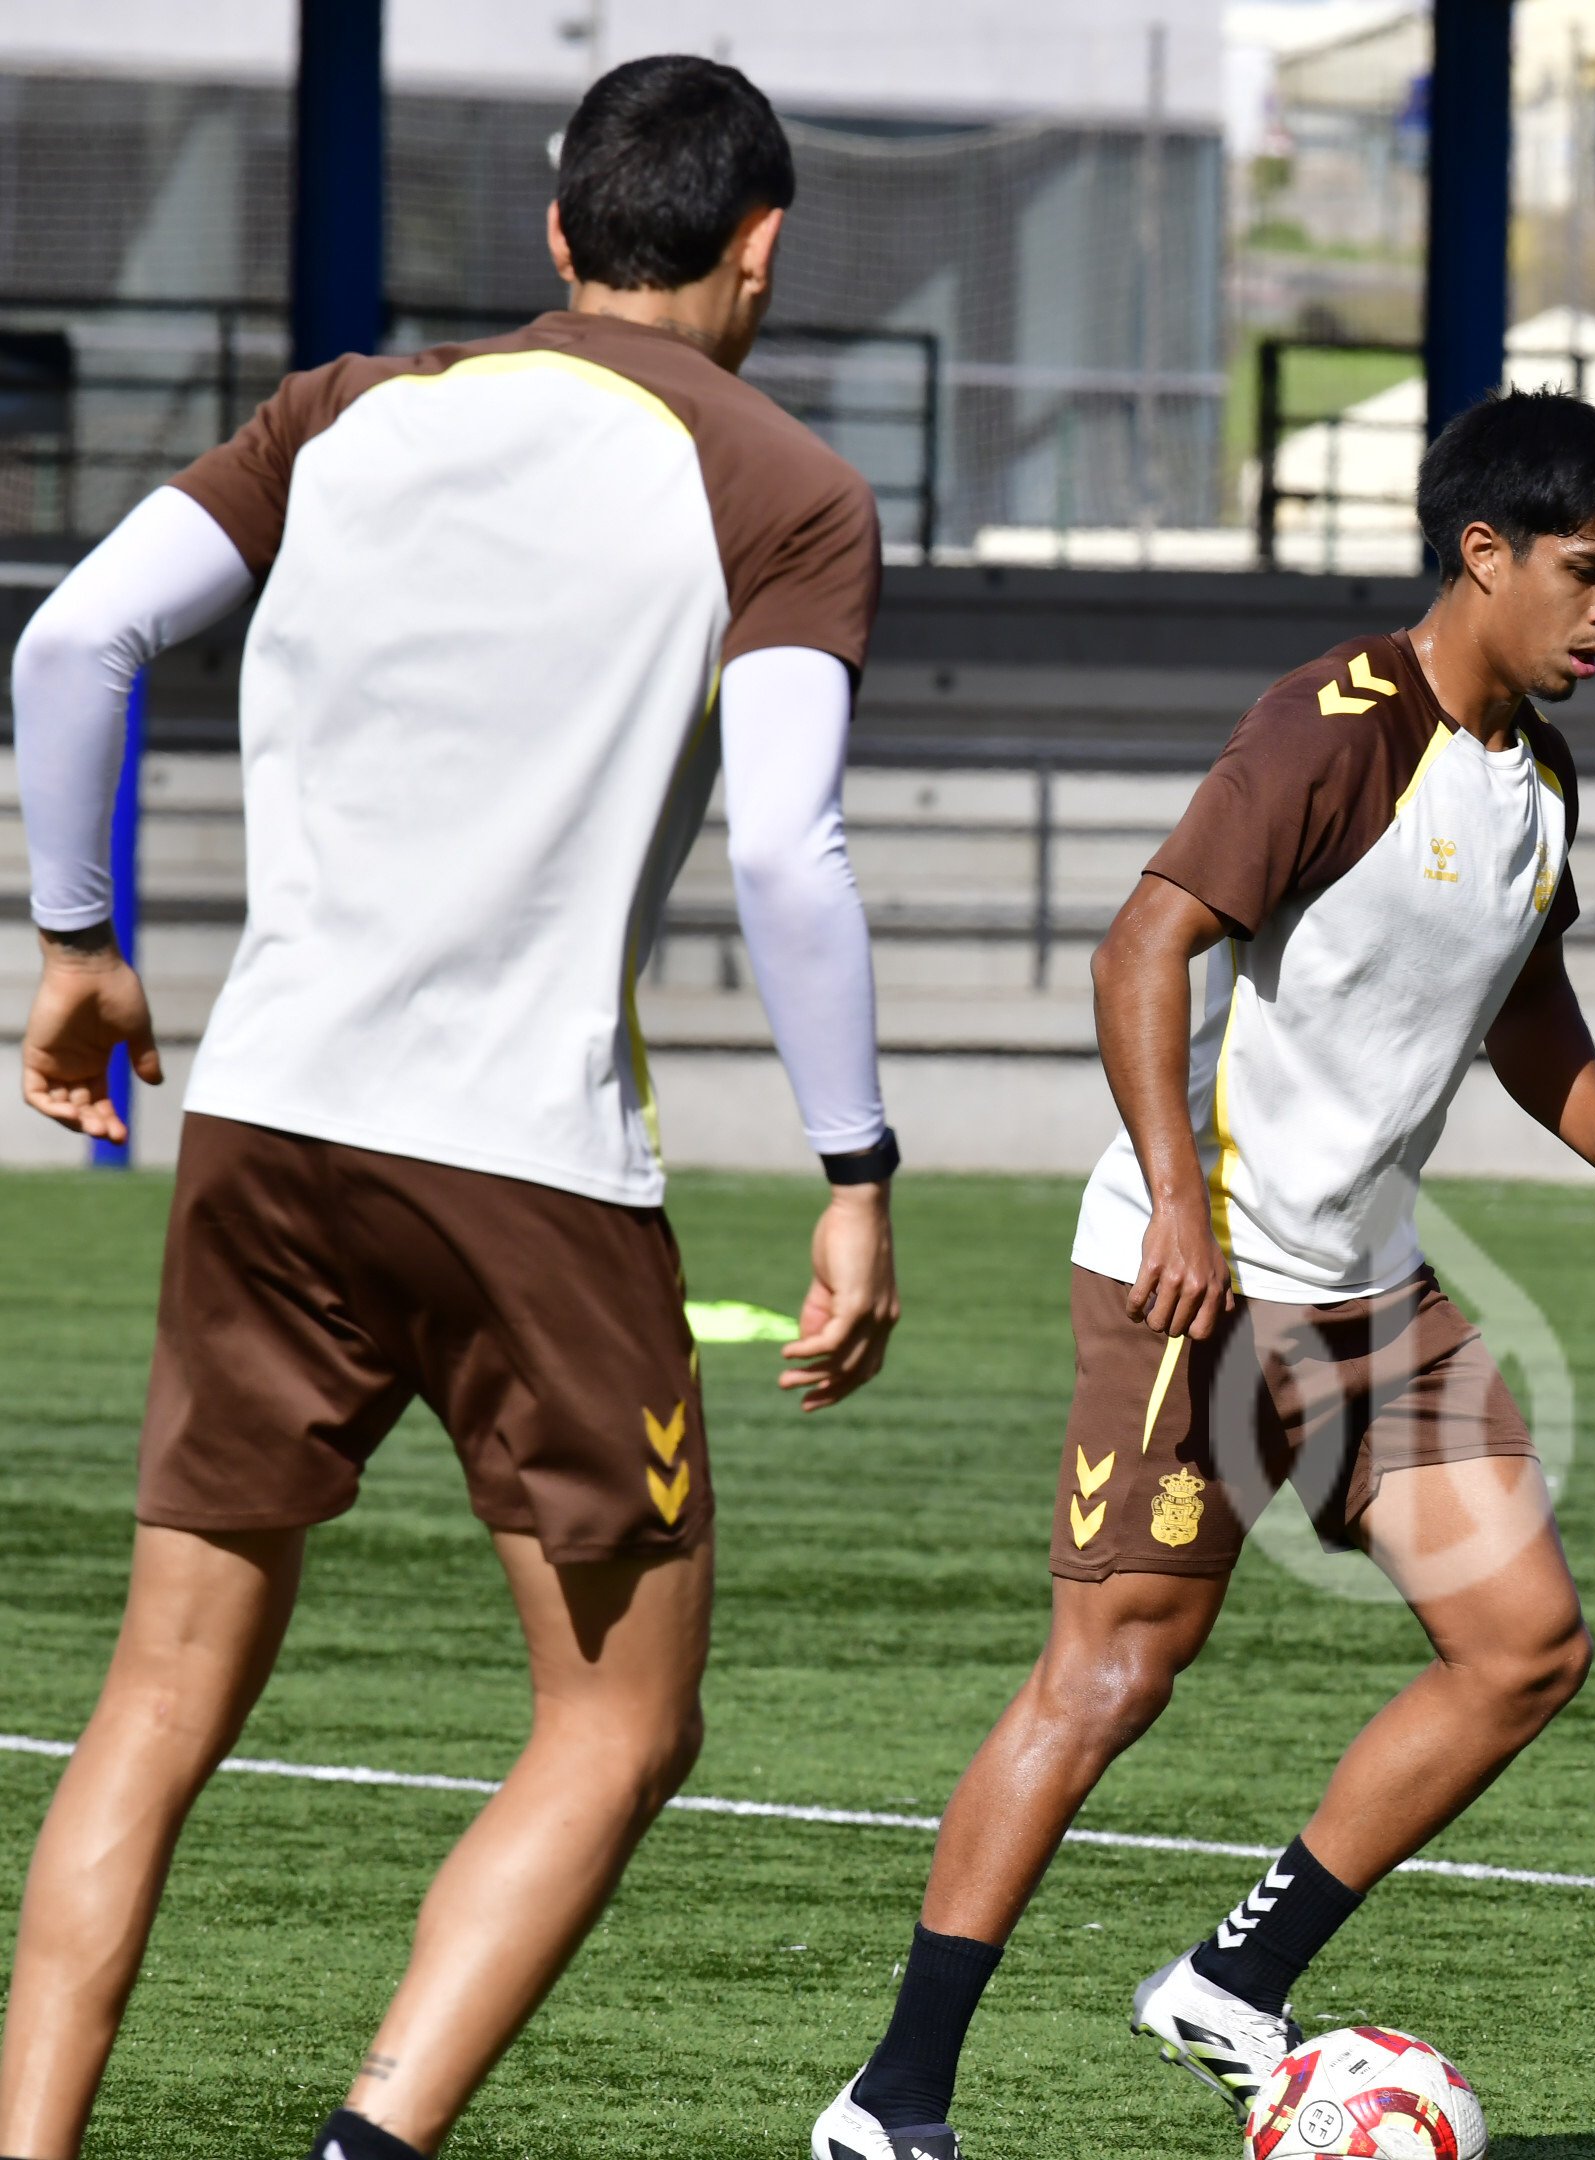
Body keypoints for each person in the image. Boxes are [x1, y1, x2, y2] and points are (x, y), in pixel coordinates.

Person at [3, 57, 901, 2160]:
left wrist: (78, 946)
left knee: (155, 1700)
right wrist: (857, 1168)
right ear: (762, 250)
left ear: (562, 237)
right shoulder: (784, 486)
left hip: (271, 1124)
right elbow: (788, 855)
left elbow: (71, 643)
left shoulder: (337, 415)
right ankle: (368, 2141)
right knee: (621, 1718)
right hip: (529, 1170)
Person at [813, 390, 1595, 2160]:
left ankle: (1231, 1981)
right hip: (1198, 1294)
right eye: (1591, 575)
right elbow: (1144, 940)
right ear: (1484, 554)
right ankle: (891, 2099)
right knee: (1113, 1678)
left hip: (1378, 1298)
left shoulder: (1539, 771)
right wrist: (1177, 1207)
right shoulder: (1331, 729)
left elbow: (1520, 991)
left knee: (1522, 1650)